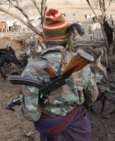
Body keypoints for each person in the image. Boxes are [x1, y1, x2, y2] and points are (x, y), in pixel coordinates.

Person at [19, 8, 99, 141]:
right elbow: (93, 95)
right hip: (79, 127)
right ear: (66, 36)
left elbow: (32, 115)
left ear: (45, 37)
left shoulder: (32, 67)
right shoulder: (80, 63)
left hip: (51, 130)